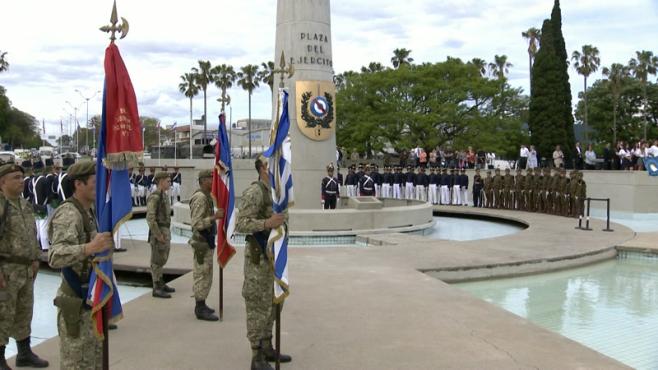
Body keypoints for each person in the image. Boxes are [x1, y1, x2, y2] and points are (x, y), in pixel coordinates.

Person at [48, 161, 113, 369]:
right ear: (79, 184)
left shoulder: (89, 211)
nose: (100, 185)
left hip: (91, 297)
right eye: (95, 181)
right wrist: (89, 247)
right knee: (76, 362)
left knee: (93, 360)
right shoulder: (69, 213)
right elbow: (55, 256)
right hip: (75, 300)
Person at [235, 156, 291, 370]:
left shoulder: (277, 193)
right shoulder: (255, 192)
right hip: (258, 261)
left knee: (275, 303)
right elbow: (240, 224)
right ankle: (256, 355)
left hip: (274, 260)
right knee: (258, 306)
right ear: (262, 169)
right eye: (271, 165)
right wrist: (267, 223)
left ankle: (267, 346)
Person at [0, 164, 49, 369]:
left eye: (21, 177)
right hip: (7, 270)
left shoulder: (24, 204)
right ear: (2, 182)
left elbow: (32, 233)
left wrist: (36, 258)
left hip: (26, 268)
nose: (21, 181)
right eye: (15, 178)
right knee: (3, 314)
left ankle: (24, 353)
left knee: (25, 312)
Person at [188, 170, 222, 321]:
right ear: (203, 180)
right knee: (202, 275)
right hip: (201, 243)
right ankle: (199, 307)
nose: (213, 181)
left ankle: (202, 303)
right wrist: (214, 217)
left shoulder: (206, 197)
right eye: (210, 178)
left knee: (207, 274)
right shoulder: (200, 198)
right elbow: (196, 223)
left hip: (206, 241)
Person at [146, 171, 175, 298]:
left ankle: (160, 281)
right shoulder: (155, 196)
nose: (170, 183)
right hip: (159, 231)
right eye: (167, 181)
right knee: (157, 259)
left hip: (165, 230)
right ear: (161, 181)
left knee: (162, 257)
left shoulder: (164, 195)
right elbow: (150, 218)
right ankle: (156, 286)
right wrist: (158, 235)